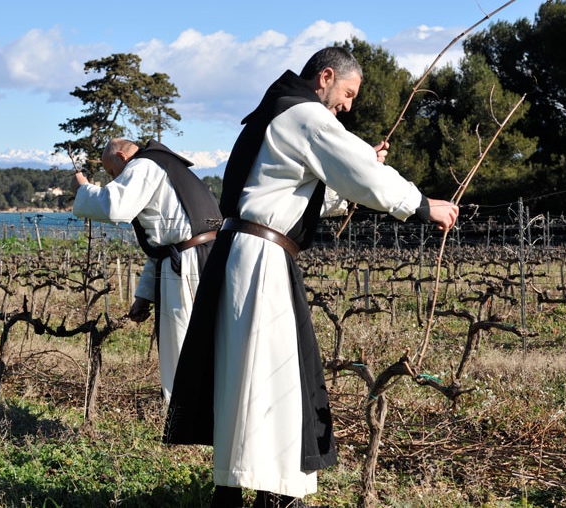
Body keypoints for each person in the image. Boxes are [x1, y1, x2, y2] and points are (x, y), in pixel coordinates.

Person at [164, 47, 459, 508]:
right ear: (325, 77)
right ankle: (273, 494)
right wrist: (422, 205)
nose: (349, 105)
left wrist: (363, 164)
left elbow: (308, 188)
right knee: (270, 376)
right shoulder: (304, 114)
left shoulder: (278, 112)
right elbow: (358, 175)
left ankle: (239, 488)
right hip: (260, 258)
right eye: (347, 92)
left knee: (246, 373)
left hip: (246, 251)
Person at [71, 138, 222, 403]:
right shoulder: (165, 166)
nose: (114, 178)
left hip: (189, 263)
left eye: (112, 172)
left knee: (184, 342)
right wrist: (145, 295)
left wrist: (83, 190)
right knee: (192, 340)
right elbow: (162, 244)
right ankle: (191, 414)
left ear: (122, 156)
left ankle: (189, 417)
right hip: (194, 257)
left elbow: (115, 206)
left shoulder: (143, 165)